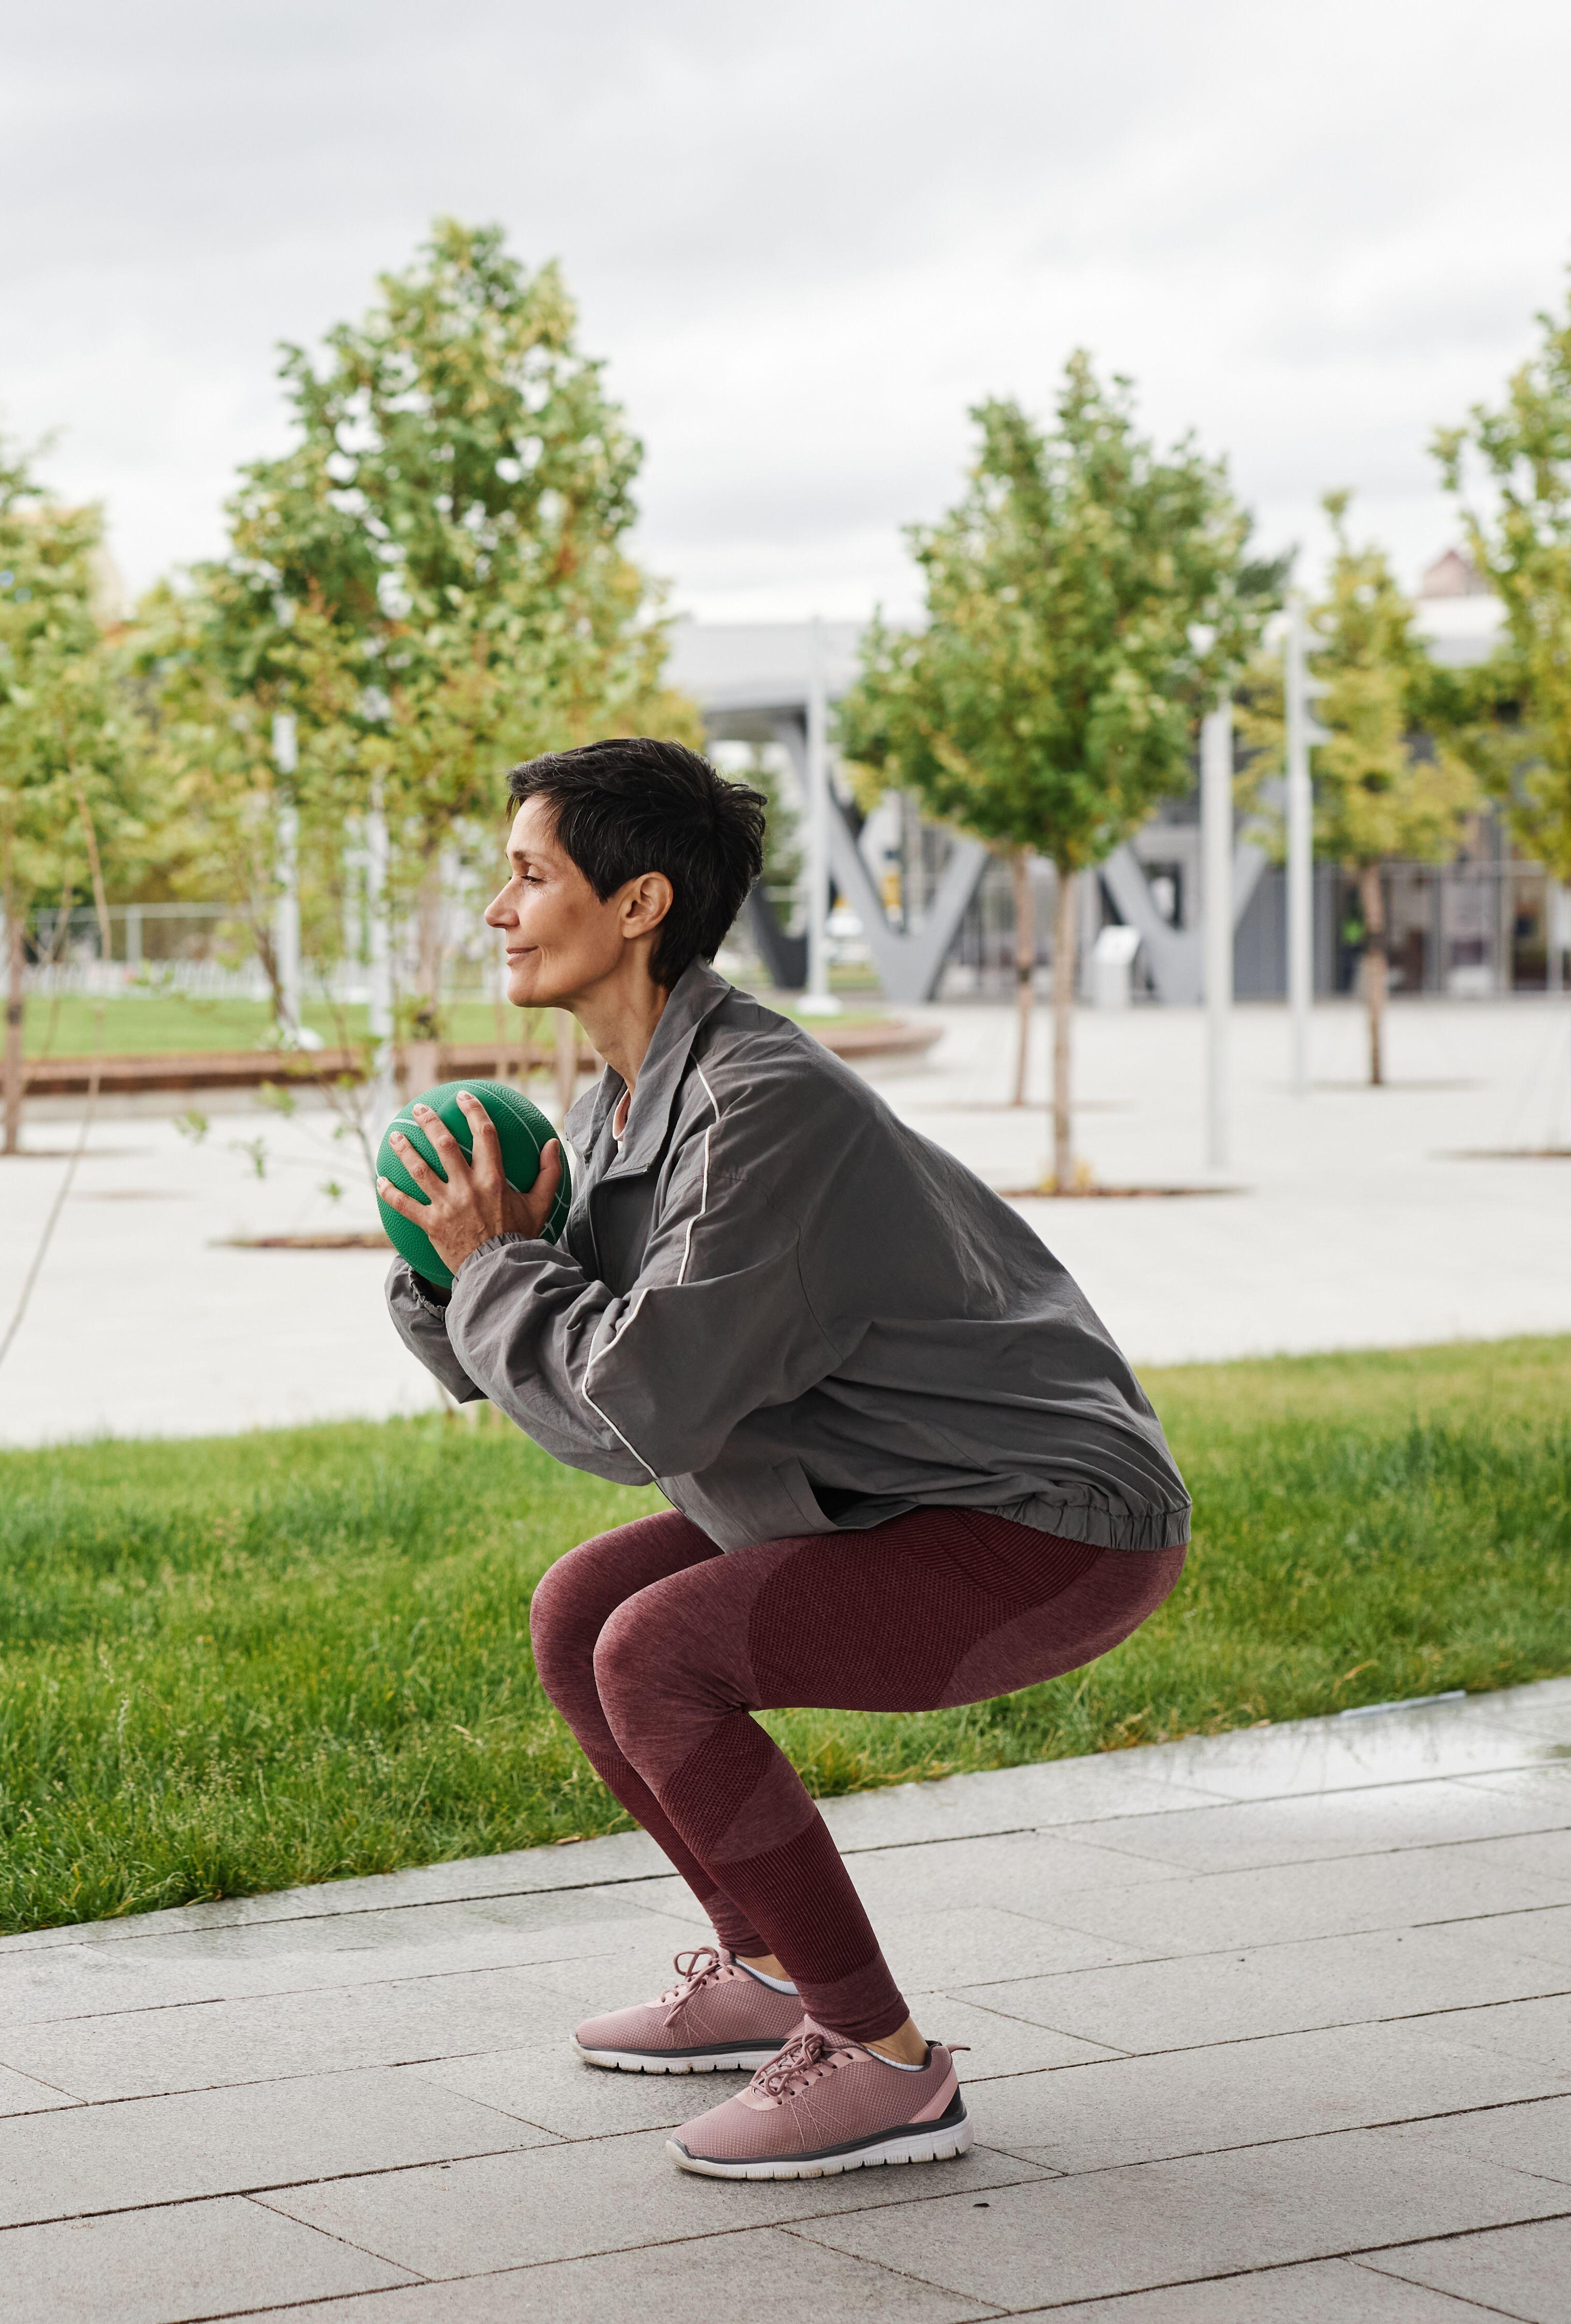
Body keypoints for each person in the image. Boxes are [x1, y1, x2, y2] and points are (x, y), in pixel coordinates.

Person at [376, 736, 1188, 2182]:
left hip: (1050, 1522)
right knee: (584, 1617)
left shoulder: (765, 1107)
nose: (497, 911)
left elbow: (643, 1413)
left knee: (659, 1652)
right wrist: (454, 1278)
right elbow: (577, 1398)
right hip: (875, 1490)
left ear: (637, 904)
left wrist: (497, 1268)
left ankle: (882, 2062)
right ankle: (762, 1976)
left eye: (526, 874)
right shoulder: (610, 1111)